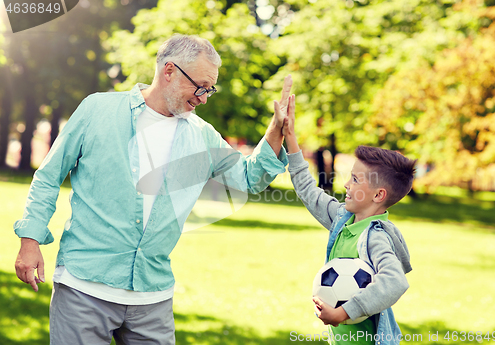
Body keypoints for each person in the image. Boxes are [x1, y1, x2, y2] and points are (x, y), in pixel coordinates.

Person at [14, 34, 292, 345]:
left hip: (152, 296)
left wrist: (275, 131)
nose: (203, 98)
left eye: (209, 90)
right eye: (199, 87)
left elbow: (247, 178)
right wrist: (30, 240)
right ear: (169, 71)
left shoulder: (203, 135)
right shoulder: (98, 110)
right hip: (84, 286)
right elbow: (50, 175)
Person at [280, 95, 415, 345]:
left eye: (355, 179)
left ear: (378, 195)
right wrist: (290, 138)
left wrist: (342, 313)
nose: (346, 184)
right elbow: (309, 192)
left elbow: (395, 281)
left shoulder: (375, 238)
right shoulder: (343, 219)